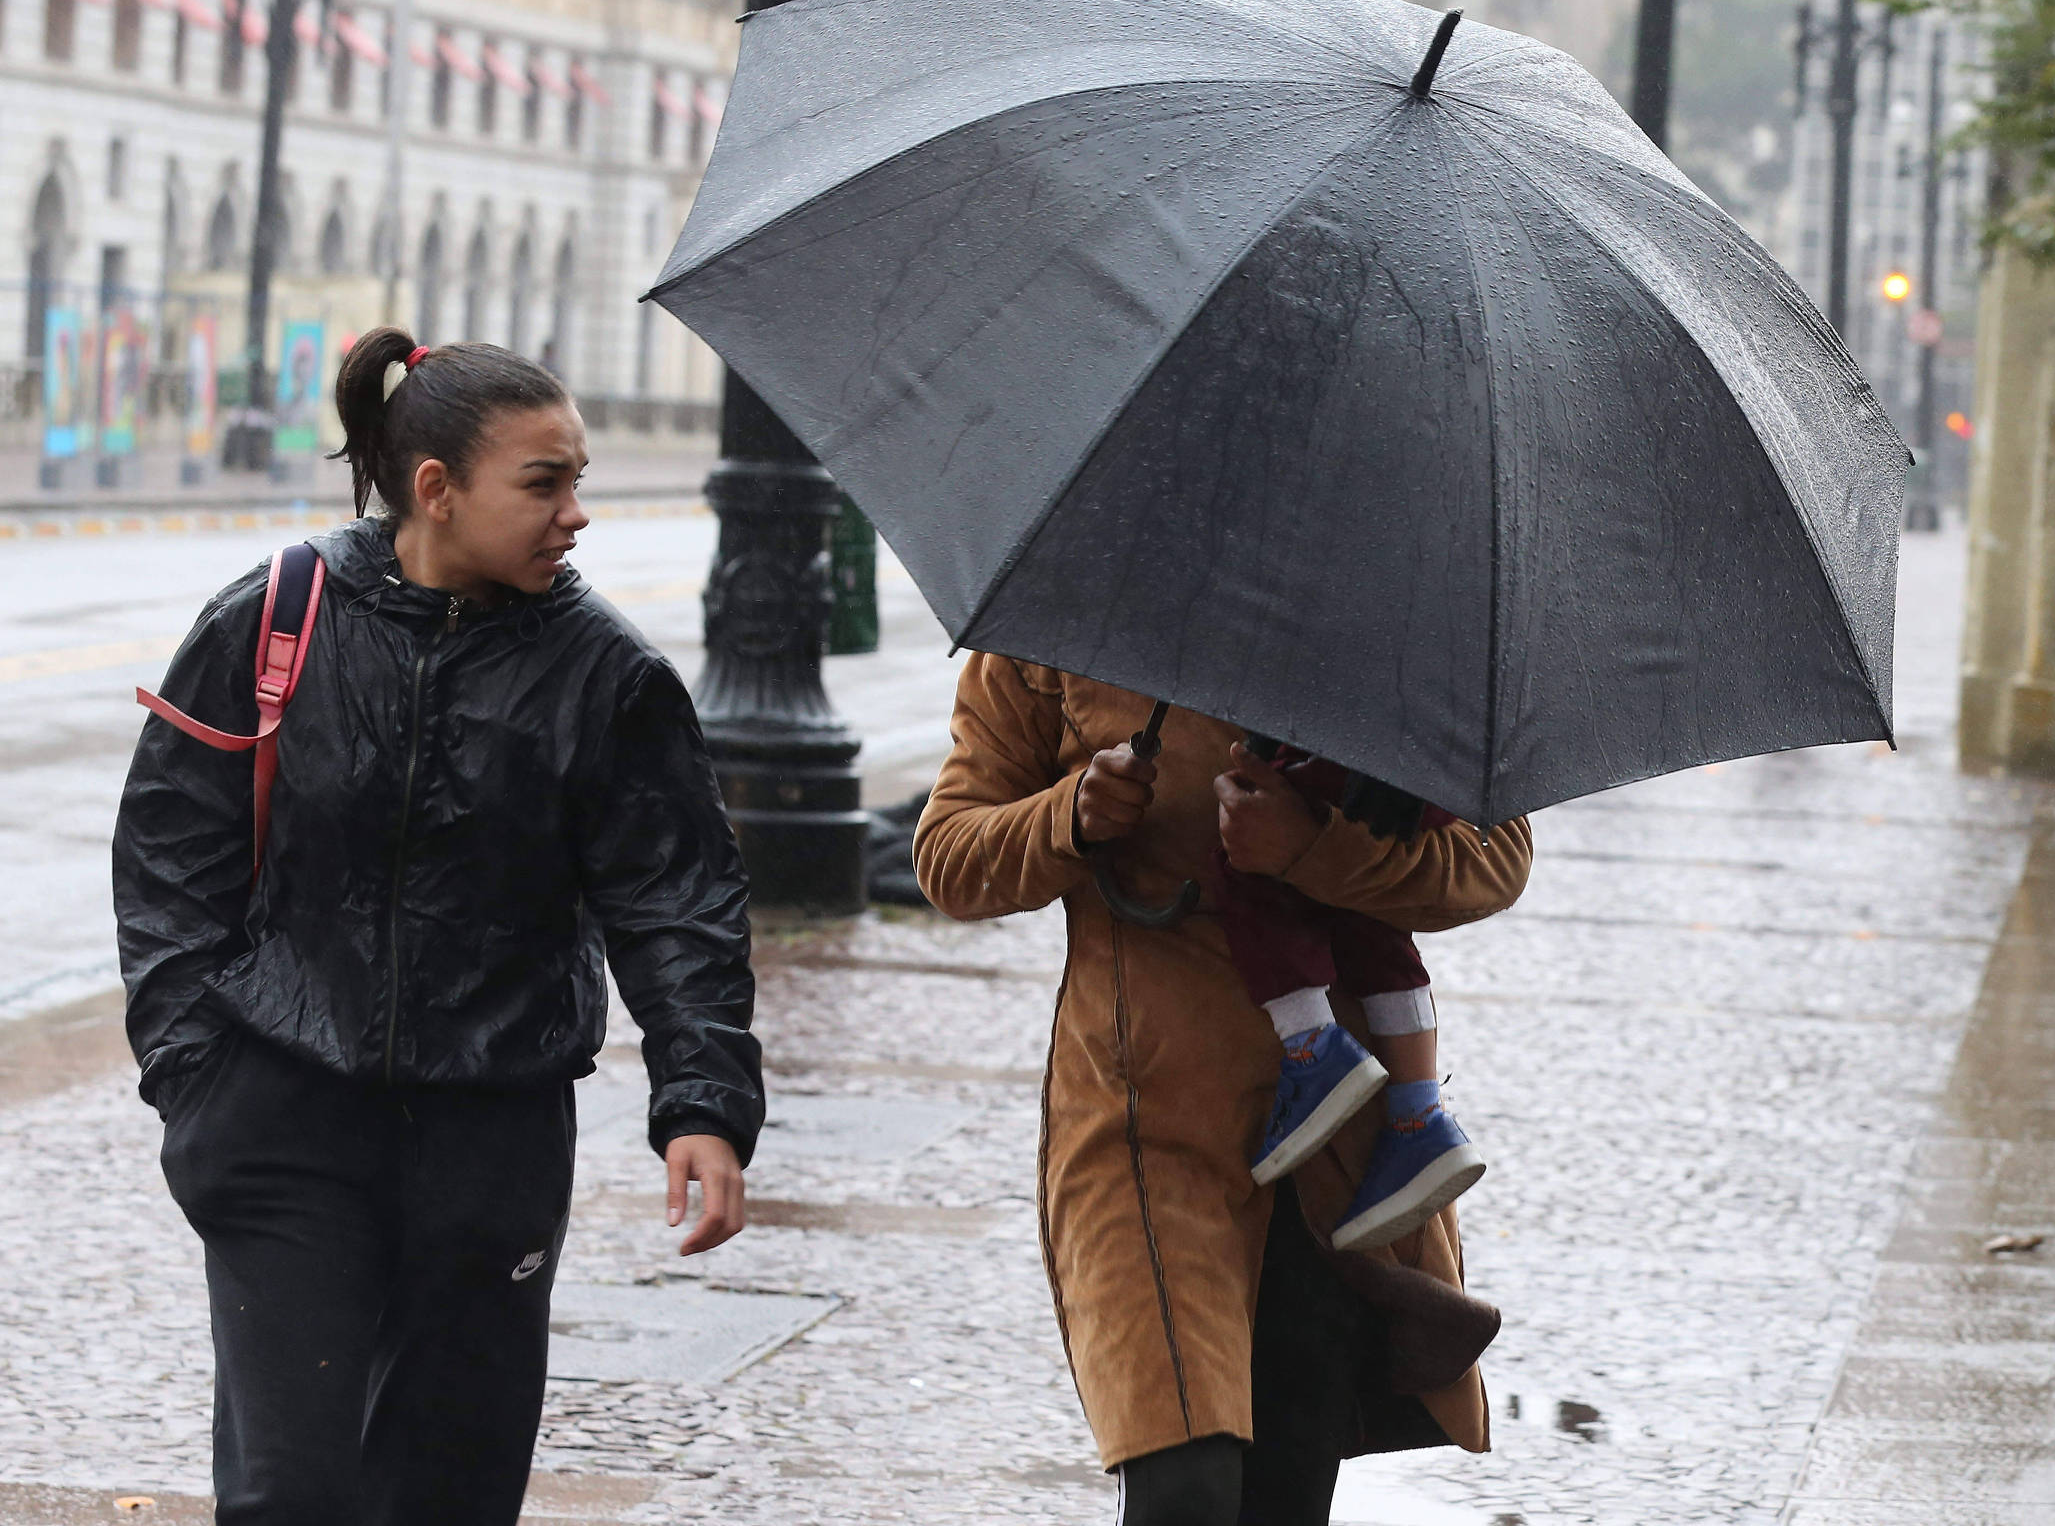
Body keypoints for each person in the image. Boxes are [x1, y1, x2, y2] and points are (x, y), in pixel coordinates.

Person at [115, 328, 764, 1526]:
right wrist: (191, 1073)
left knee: (447, 1494)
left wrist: (707, 1103)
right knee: (288, 1495)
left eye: (578, 482)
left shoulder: (606, 674)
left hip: (492, 1135)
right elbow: (168, 855)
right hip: (282, 1115)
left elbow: (675, 900)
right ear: (436, 488)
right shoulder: (275, 620)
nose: (576, 513)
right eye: (544, 482)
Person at [916, 667, 1532, 1525]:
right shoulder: (1053, 636)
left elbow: (1495, 857)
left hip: (1331, 1148)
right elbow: (948, 855)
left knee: (1287, 1487)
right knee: (1182, 1481)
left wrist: (1310, 849)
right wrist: (1068, 816)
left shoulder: (1380, 616)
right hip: (1143, 1126)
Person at [1210, 738, 1486, 1254]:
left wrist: (1300, 835)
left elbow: (1501, 859)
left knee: (1247, 854)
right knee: (1370, 918)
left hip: (1364, 756)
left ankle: (1314, 1048)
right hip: (1421, 766)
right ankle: (1418, 1112)